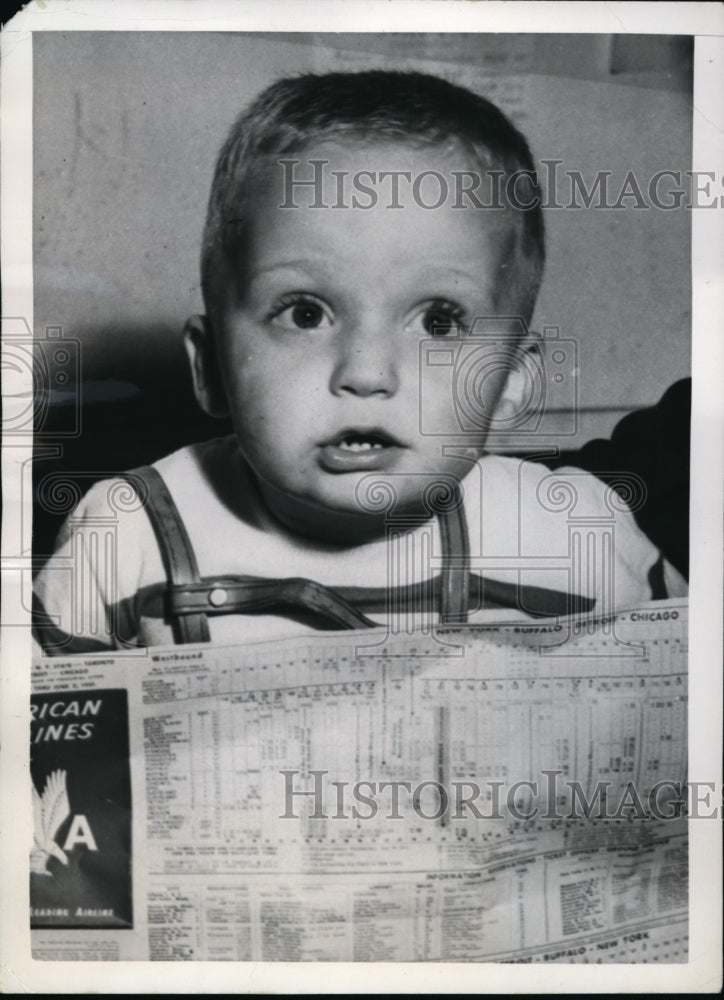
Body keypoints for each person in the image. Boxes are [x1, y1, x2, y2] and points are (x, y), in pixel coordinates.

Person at [32, 70, 686, 655]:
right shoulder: (124, 539)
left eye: (439, 322)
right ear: (210, 368)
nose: (368, 374)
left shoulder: (580, 533)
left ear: (510, 383)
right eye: (306, 314)